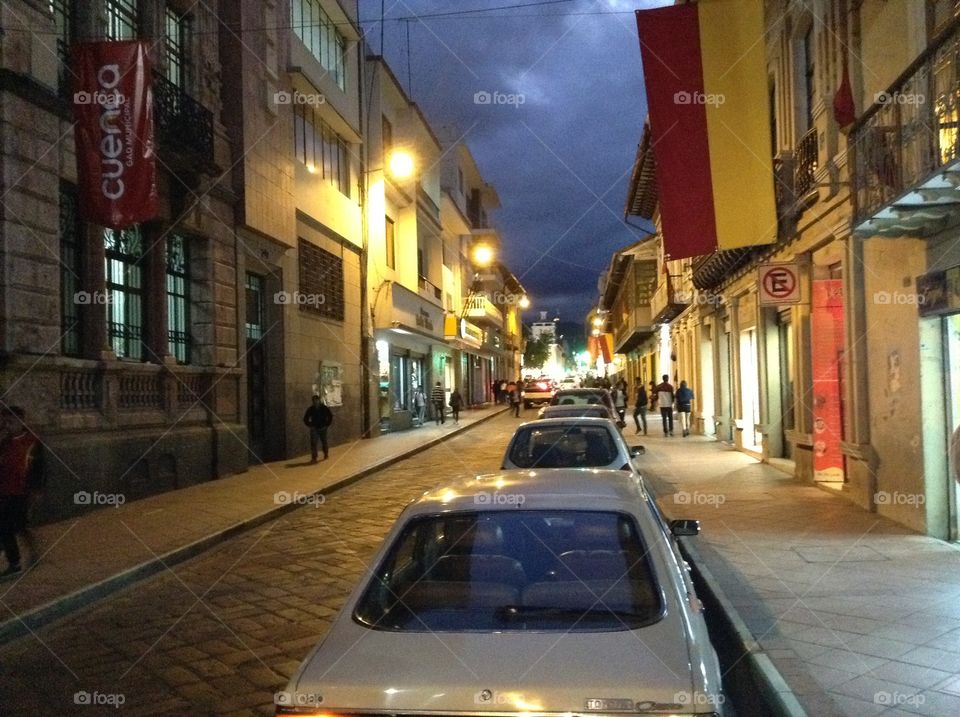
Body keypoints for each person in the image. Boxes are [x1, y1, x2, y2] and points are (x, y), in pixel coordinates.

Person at [0, 406, 42, 578]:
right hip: (4, 490)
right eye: (5, 422)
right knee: (4, 527)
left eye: (11, 422)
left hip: (22, 492)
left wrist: (36, 489)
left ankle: (32, 551)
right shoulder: (4, 442)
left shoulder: (32, 442)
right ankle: (14, 563)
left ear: (21, 421)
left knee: (20, 526)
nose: (8, 425)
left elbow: (39, 468)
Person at [303, 395, 333, 463]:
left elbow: (330, 416)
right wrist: (310, 425)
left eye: (316, 401)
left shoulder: (324, 408)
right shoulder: (311, 409)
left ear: (319, 401)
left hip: (323, 428)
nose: (315, 402)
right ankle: (314, 458)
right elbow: (305, 418)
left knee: (324, 442)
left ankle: (326, 454)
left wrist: (327, 424)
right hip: (314, 428)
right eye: (314, 401)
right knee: (313, 443)